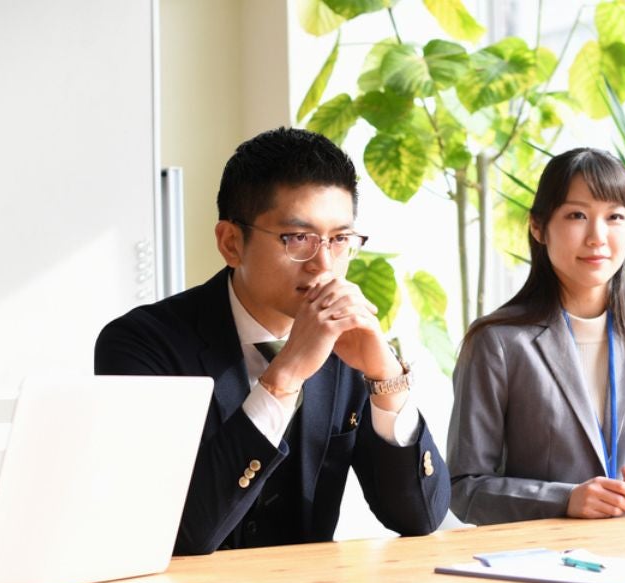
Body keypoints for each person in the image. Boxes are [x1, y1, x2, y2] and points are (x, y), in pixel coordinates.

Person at [94, 127, 450, 554]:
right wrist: (284, 377)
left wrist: (386, 379)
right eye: (298, 238)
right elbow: (182, 533)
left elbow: (420, 517)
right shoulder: (140, 344)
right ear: (231, 243)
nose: (323, 264)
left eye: (339, 240)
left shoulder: (348, 341)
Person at [447, 148, 625, 525]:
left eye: (614, 217)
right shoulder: (497, 342)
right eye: (577, 215)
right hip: (540, 564)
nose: (597, 237)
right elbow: (464, 488)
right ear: (538, 227)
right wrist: (563, 499)